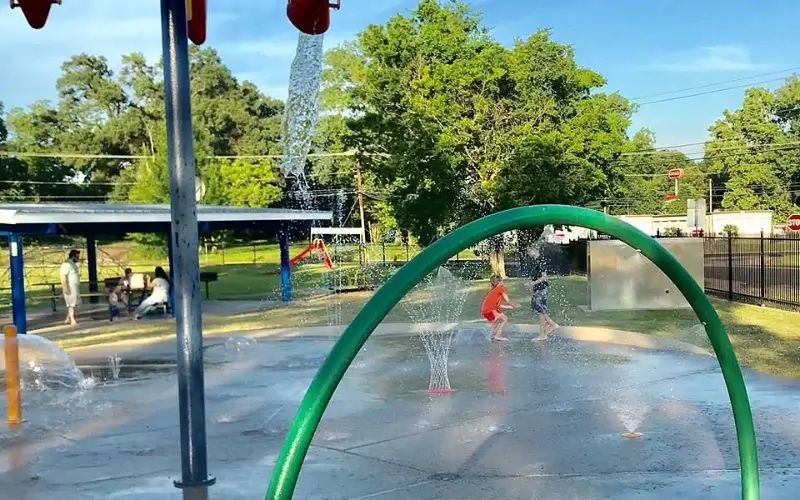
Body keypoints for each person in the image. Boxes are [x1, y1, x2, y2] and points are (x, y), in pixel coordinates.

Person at [526, 244, 560, 341]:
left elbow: (545, 277)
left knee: (540, 311)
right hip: (538, 289)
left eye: (529, 251)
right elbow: (535, 275)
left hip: (542, 289)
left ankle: (543, 334)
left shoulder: (541, 260)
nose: (528, 253)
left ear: (534, 250)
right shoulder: (536, 261)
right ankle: (552, 325)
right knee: (538, 309)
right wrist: (531, 285)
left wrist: (533, 283)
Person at [480, 274, 518, 341]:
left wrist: (508, 307)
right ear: (500, 282)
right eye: (502, 281)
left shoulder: (493, 290)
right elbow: (508, 300)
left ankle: (490, 336)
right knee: (504, 319)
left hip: (485, 310)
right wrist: (514, 305)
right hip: (490, 309)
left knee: (496, 321)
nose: (503, 282)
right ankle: (498, 336)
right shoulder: (500, 289)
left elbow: (498, 305)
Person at [59, 249, 81, 325]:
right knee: (71, 304)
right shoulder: (66, 264)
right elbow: (63, 276)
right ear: (73, 256)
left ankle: (68, 318)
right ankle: (72, 320)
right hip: (70, 286)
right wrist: (65, 288)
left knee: (74, 303)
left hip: (74, 286)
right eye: (77, 257)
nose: (78, 259)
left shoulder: (72, 264)